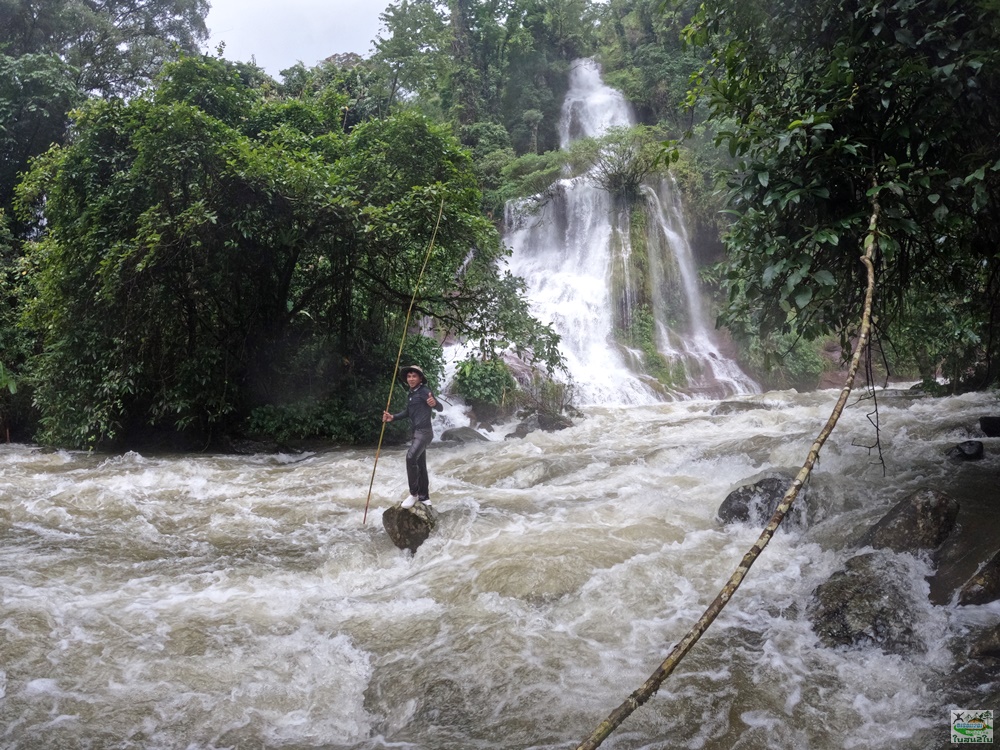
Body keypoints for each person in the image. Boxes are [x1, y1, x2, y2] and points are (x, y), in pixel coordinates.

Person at [382, 364, 444, 509]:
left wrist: (434, 403)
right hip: (416, 433)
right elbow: (408, 412)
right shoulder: (411, 394)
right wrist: (393, 417)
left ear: (420, 378)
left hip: (424, 432)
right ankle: (424, 497)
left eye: (414, 376)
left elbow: (440, 407)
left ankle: (413, 493)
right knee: (420, 464)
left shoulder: (425, 391)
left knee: (410, 457)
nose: (411, 379)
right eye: (409, 376)